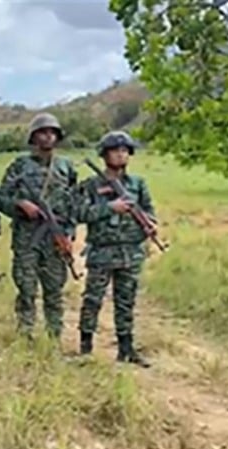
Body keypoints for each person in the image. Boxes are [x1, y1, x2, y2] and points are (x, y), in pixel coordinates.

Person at [0, 113, 79, 340]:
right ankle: (26, 335)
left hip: (55, 237)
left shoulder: (66, 167)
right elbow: (1, 197)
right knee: (26, 289)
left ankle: (54, 336)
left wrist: (69, 235)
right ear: (34, 137)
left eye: (52, 132)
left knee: (54, 290)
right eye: (43, 132)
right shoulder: (19, 166)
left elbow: (74, 203)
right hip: (27, 238)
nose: (48, 136)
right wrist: (20, 205)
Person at [76, 131, 154, 367]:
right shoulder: (91, 185)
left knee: (126, 301)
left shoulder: (137, 184)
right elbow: (79, 213)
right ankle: (86, 347)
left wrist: (150, 224)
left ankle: (126, 349)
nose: (120, 155)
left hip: (131, 251)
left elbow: (149, 210)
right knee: (93, 299)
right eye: (115, 150)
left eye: (124, 151)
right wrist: (111, 207)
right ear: (104, 154)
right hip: (102, 251)